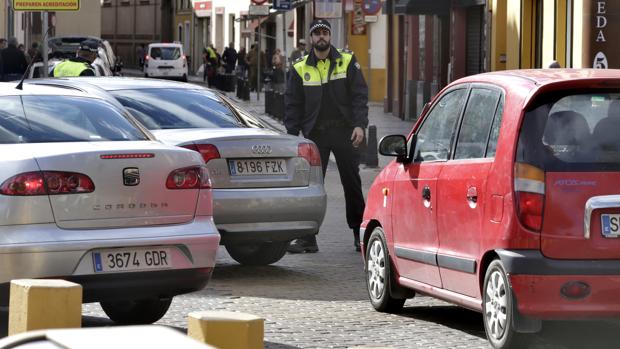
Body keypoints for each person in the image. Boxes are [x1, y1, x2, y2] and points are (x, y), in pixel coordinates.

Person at [284, 19, 368, 253]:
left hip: (344, 132)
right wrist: (292, 135)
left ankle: (358, 235)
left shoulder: (347, 60)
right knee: (311, 187)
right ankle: (308, 238)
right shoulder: (299, 67)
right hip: (316, 135)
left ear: (330, 36)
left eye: (325, 33)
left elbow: (359, 96)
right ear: (311, 38)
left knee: (352, 184)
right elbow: (292, 104)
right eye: (317, 33)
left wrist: (360, 125)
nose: (321, 37)